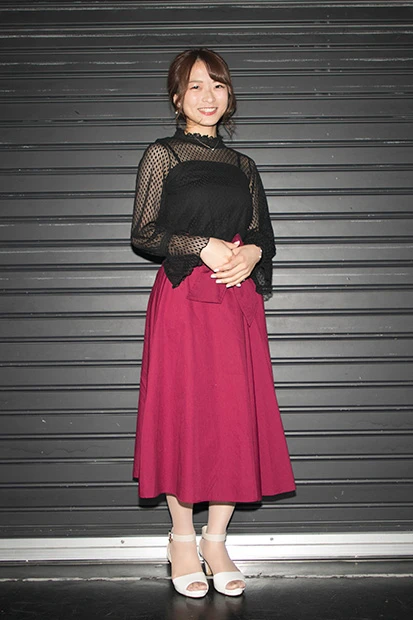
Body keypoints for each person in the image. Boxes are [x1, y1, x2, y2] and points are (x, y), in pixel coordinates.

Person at [131, 48, 296, 598]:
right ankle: (181, 539)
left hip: (234, 302)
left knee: (232, 416)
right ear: (177, 97)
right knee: (182, 410)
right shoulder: (163, 155)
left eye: (218, 85)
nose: (209, 96)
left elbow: (263, 233)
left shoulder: (243, 165)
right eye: (196, 86)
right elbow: (144, 233)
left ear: (229, 96)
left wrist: (252, 254)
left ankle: (216, 539)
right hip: (183, 301)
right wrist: (200, 243)